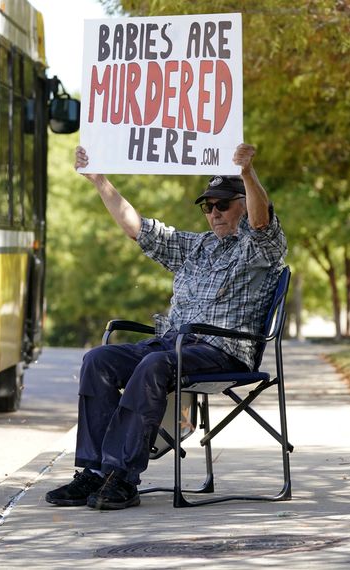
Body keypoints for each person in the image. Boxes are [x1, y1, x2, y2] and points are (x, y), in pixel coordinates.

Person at [45, 143, 287, 510]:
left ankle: (122, 478)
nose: (214, 212)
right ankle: (95, 472)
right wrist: (99, 180)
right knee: (98, 360)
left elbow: (261, 222)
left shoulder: (258, 250)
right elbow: (139, 230)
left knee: (154, 366)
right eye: (208, 206)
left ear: (242, 202)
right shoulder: (197, 247)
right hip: (173, 344)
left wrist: (248, 173)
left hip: (223, 351)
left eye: (223, 204)